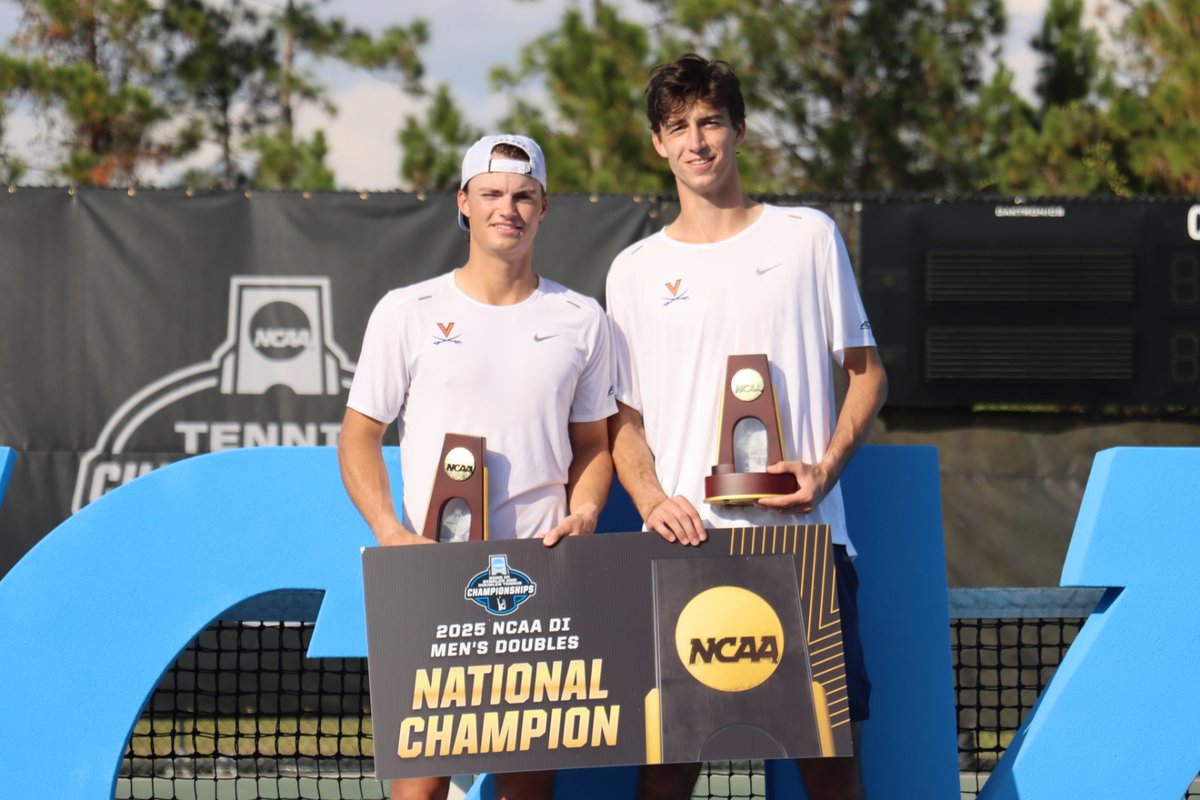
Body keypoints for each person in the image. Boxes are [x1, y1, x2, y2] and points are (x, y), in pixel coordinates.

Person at [605, 54, 888, 800]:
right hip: (687, 546)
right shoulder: (633, 270)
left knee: (830, 767)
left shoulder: (809, 237)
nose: (696, 141)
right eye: (678, 127)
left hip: (804, 543)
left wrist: (821, 472)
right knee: (666, 773)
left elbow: (868, 373)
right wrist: (651, 502)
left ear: (738, 129)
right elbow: (623, 422)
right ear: (657, 143)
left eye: (709, 122)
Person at [338, 134, 616, 800]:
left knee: (526, 788)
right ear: (465, 203)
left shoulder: (583, 319)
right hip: (433, 576)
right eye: (491, 194)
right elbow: (359, 437)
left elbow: (595, 448)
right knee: (419, 791)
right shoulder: (407, 312)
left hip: (538, 581)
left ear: (544, 207)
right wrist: (391, 531)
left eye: (524, 196)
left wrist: (584, 513)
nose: (508, 209)